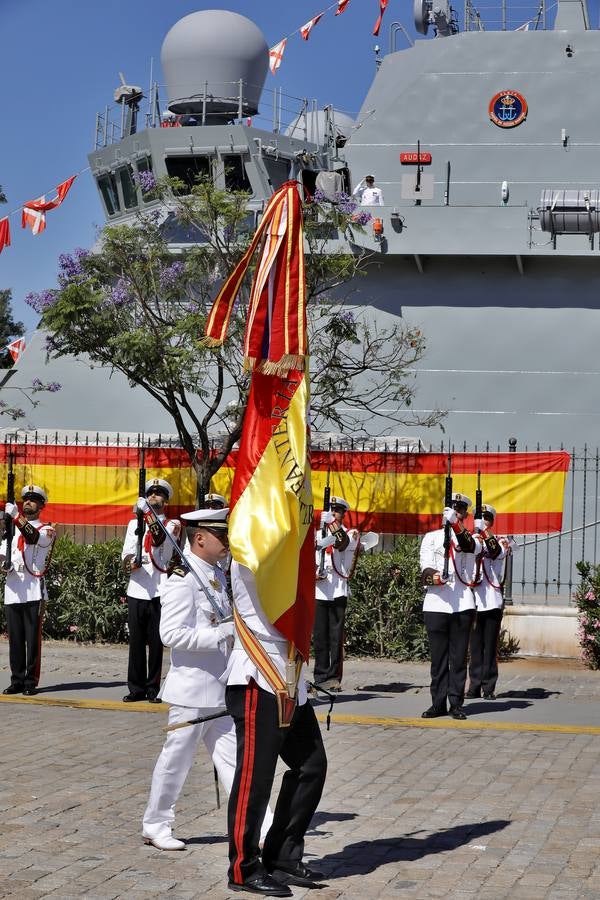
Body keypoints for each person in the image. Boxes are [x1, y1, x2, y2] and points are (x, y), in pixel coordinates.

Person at [142, 507, 273, 851]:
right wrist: (222, 633)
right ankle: (156, 824)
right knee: (176, 762)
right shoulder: (182, 578)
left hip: (219, 688)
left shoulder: (214, 573)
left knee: (235, 763)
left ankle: (262, 828)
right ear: (199, 538)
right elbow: (170, 634)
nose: (228, 541)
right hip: (191, 691)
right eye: (221, 535)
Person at [225, 561, 328, 896]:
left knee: (311, 765)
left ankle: (281, 855)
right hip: (259, 674)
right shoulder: (251, 552)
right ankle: (243, 867)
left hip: (289, 675)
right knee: (255, 777)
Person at [419, 491, 482, 720]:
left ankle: (456, 703)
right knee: (438, 659)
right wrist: (436, 578)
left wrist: (455, 525)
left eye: (460, 509)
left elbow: (468, 546)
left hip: (462, 604)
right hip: (436, 604)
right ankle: (438, 703)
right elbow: (424, 569)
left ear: (465, 514)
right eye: (452, 508)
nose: (456, 511)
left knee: (457, 659)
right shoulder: (431, 537)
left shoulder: (473, 539)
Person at [121, 477, 180, 703]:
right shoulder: (133, 525)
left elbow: (158, 540)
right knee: (136, 642)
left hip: (159, 590)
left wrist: (147, 514)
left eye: (158, 494)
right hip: (137, 588)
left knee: (156, 642)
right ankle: (136, 687)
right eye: (150, 493)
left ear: (165, 500)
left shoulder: (172, 524)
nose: (153, 496)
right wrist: (130, 563)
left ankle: (153, 687)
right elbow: (125, 553)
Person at [1, 485, 55, 696]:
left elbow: (32, 537)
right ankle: (16, 680)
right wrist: (4, 564)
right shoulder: (11, 531)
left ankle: (30, 681)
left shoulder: (46, 530)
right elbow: (3, 555)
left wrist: (16, 518)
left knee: (32, 639)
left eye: (34, 500)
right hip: (13, 588)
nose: (29, 503)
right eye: (27, 500)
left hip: (34, 590)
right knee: (15, 639)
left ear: (41, 506)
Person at [312, 495, 360, 691]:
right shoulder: (317, 535)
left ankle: (334, 677)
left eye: (337, 511)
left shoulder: (352, 533)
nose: (333, 513)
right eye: (331, 510)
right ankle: (320, 676)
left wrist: (331, 524)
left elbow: (341, 543)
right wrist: (315, 573)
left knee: (335, 636)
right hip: (320, 590)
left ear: (343, 514)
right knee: (320, 636)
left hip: (338, 589)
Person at [467, 504, 511, 701]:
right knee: (474, 647)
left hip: (492, 600)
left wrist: (483, 531)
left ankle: (489, 687)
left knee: (490, 647)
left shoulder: (500, 541)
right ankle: (474, 686)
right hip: (473, 600)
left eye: (487, 517)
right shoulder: (471, 540)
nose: (483, 519)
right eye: (480, 517)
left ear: (492, 521)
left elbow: (495, 552)